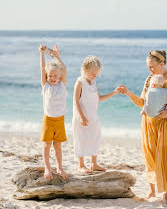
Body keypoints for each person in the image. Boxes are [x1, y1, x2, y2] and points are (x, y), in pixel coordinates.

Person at [118, 50, 167, 204]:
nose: (150, 70)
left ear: (162, 64)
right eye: (148, 67)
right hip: (148, 124)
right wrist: (128, 93)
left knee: (165, 158)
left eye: (152, 66)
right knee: (150, 157)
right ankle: (152, 190)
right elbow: (142, 103)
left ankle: (165, 194)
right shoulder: (149, 80)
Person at [73, 55, 119, 174]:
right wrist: (82, 116)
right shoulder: (80, 82)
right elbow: (76, 101)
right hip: (81, 117)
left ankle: (93, 164)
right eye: (93, 73)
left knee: (95, 138)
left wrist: (114, 93)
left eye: (97, 73)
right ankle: (81, 165)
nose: (95, 75)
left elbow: (99, 98)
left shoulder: (93, 82)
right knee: (81, 139)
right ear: (85, 69)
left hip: (93, 116)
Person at [39, 44, 68, 180]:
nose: (53, 77)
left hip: (59, 120)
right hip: (48, 120)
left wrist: (56, 57)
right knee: (46, 145)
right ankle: (47, 167)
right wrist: (42, 54)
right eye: (50, 75)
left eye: (55, 75)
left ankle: (59, 167)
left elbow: (64, 68)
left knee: (58, 146)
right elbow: (42, 69)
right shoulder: (45, 86)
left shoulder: (62, 85)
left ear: (60, 76)